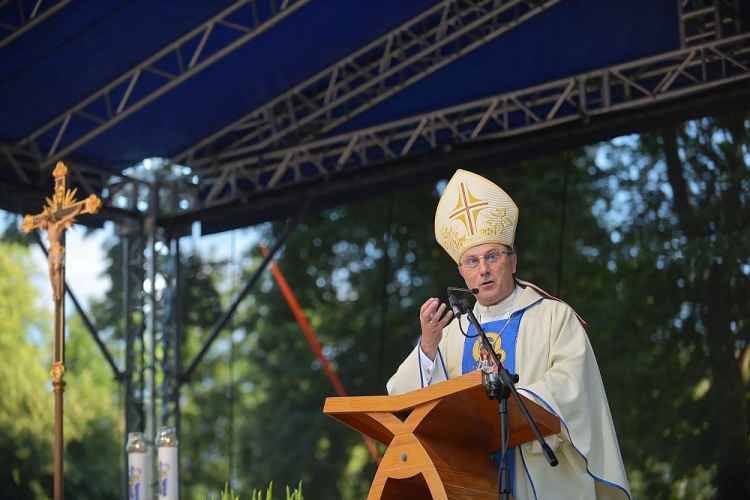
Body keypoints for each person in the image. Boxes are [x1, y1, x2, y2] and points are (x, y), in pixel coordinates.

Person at [387, 170, 631, 500]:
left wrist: (508, 408)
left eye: (492, 256)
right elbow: (402, 400)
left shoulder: (552, 316)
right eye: (472, 261)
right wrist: (428, 348)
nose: (483, 269)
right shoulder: (453, 335)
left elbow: (573, 386)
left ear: (512, 262)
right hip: (473, 481)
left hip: (542, 476)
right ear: (461, 272)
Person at [38, 205, 82, 302]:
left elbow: (66, 218)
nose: (40, 225)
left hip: (58, 250)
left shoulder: (57, 225)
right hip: (51, 251)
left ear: (46, 220)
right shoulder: (48, 230)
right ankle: (55, 291)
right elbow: (34, 223)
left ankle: (59, 292)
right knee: (51, 270)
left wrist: (76, 212)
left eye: (41, 222)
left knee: (57, 269)